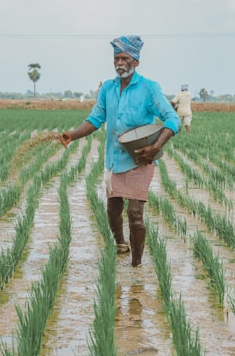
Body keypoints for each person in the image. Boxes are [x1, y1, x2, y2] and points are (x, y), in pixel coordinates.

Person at [60, 35, 180, 267]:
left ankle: (136, 265)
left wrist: (155, 147)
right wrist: (72, 135)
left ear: (136, 61)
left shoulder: (149, 87)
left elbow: (172, 119)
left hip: (140, 158)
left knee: (135, 213)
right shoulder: (108, 87)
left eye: (125, 58)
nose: (120, 63)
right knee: (113, 208)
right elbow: (95, 119)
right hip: (114, 159)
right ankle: (120, 244)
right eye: (116, 58)